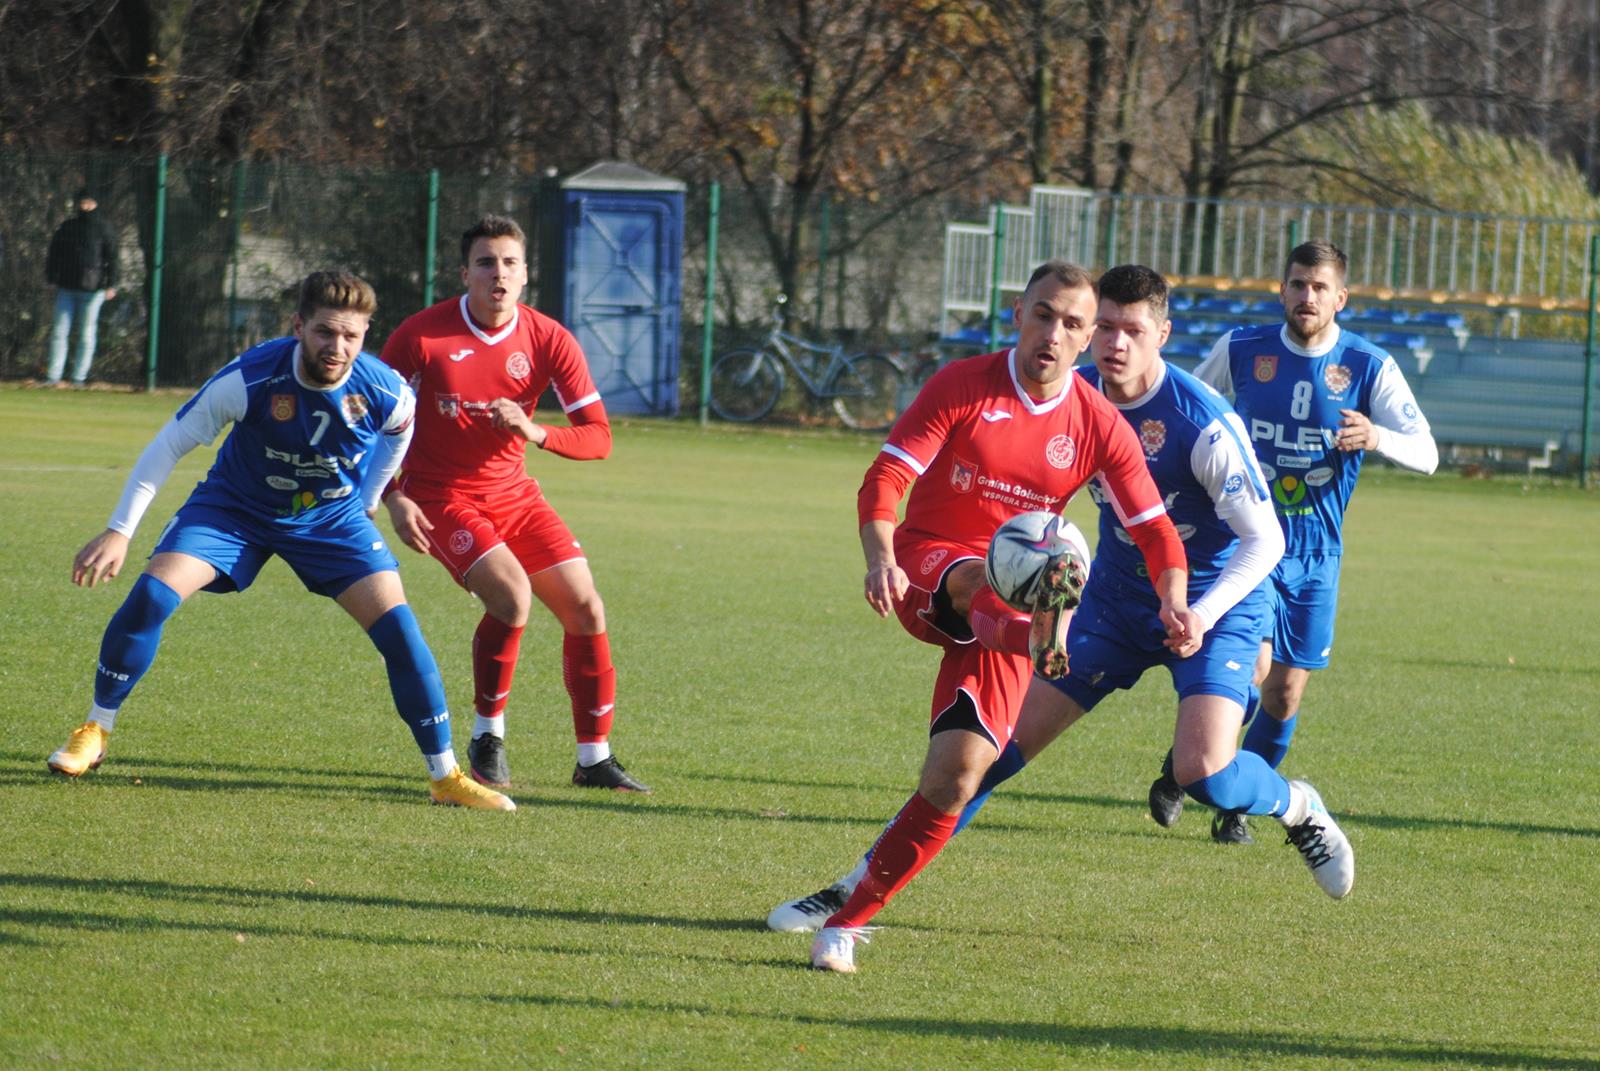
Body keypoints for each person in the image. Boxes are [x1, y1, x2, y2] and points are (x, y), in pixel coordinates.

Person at [769, 267, 1355, 951]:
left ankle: (1298, 805)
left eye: (1130, 330)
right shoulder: (1063, 395)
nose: (1112, 342)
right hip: (1110, 595)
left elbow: (1266, 538)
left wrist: (1195, 606)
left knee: (1206, 773)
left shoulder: (1201, 421)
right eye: (1102, 325)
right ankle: (856, 886)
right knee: (989, 757)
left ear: (1162, 336)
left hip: (1219, 597)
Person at [775, 260, 1191, 974]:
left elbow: (1156, 531)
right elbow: (886, 479)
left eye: (1071, 324)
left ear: (1089, 336)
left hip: (1018, 595)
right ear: (1016, 314)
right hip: (930, 566)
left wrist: (1176, 598)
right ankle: (1038, 626)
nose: (1053, 335)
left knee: (958, 775)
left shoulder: (1096, 424)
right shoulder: (964, 385)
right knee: (981, 577)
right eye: (1042, 315)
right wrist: (880, 556)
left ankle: (847, 922)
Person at [46, 271, 515, 813]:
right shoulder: (249, 379)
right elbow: (169, 444)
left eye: (351, 337)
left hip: (331, 520)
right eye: (324, 332)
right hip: (234, 510)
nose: (337, 348)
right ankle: (95, 730)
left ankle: (445, 776)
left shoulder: (384, 390)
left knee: (403, 636)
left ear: (365, 337)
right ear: (298, 326)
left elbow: (400, 433)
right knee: (151, 596)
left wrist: (368, 498)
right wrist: (120, 530)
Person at [1147, 239, 1438, 844]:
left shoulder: (1368, 366)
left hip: (1316, 553)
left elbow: (1428, 453)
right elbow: (1186, 405)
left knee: (1284, 691)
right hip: (1247, 541)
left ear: (1341, 298)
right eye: (1298, 284)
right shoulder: (1243, 348)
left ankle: (1235, 804)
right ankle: (1186, 766)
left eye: (1320, 287)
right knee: (1249, 668)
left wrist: (1377, 436)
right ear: (1282, 289)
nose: (1308, 296)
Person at [380, 215, 647, 793]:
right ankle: (487, 736)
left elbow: (598, 436)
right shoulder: (421, 336)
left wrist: (534, 431)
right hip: (441, 497)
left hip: (516, 496)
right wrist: (394, 498)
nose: (497, 274)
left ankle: (593, 759)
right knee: (512, 596)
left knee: (587, 609)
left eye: (509, 263)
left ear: (525, 275)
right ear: (464, 273)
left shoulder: (549, 338)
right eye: (485, 262)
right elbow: (368, 427)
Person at [44, 188, 119, 387]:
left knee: (86, 334)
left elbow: (112, 259)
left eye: (89, 202)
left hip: (93, 290)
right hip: (66, 287)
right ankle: (54, 377)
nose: (85, 206)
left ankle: (79, 378)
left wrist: (111, 284)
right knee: (60, 332)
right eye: (82, 202)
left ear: (96, 203)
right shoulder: (67, 227)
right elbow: (54, 254)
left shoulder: (104, 229)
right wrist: (52, 278)